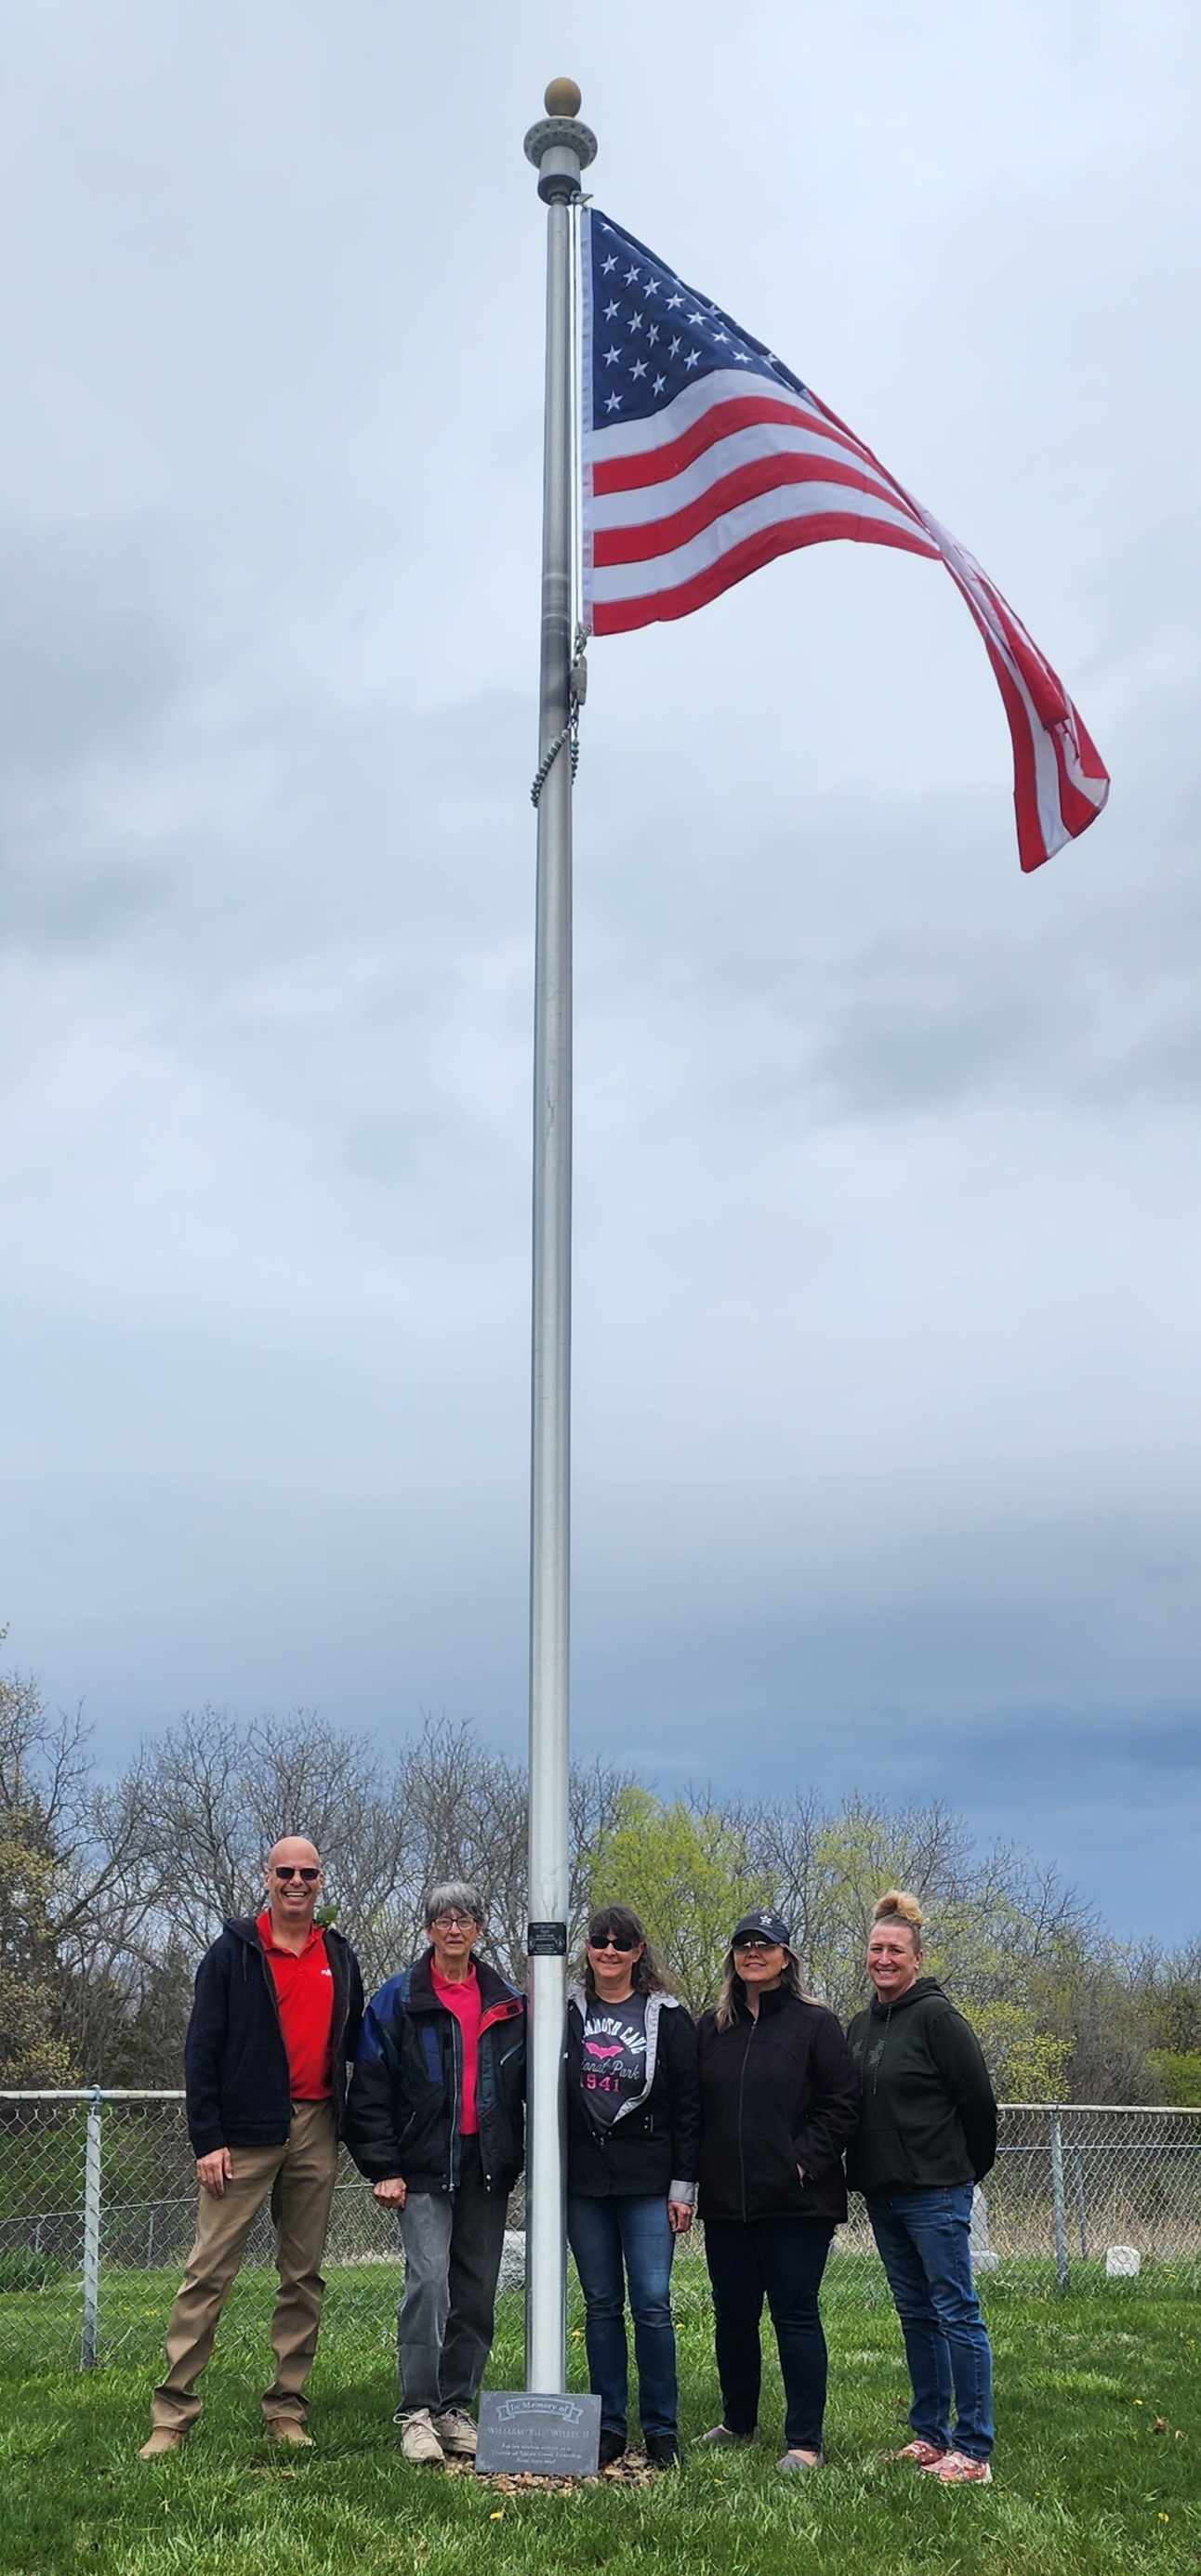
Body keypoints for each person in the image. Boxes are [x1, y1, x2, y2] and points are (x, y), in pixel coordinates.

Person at [139, 1835, 364, 2457]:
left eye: (308, 1873)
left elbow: (356, 2048)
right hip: (241, 2137)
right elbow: (201, 2050)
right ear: (266, 1878)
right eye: (285, 1871)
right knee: (208, 2271)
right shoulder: (232, 1954)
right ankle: (173, 2415)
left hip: (317, 2126)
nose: (297, 1881)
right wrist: (207, 2139)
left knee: (303, 2276)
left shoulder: (340, 1956)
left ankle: (286, 2409)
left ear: (321, 1882)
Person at [346, 1881, 525, 2465]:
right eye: (443, 1919)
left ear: (479, 1928)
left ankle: (455, 2408)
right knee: (428, 2284)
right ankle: (416, 2412)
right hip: (421, 2170)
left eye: (466, 1918)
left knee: (475, 2293)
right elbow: (369, 2088)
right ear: (428, 1930)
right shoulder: (397, 1999)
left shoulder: (508, 2000)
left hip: (486, 2169)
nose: (455, 1928)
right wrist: (383, 2167)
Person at [695, 1907, 860, 2472]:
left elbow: (842, 2106)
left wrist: (801, 2164)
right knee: (733, 2315)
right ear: (732, 1958)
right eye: (743, 1945)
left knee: (794, 2315)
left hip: (796, 2205)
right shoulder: (712, 2028)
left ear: (785, 1957)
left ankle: (804, 2442)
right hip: (726, 2204)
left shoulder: (817, 2025)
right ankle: (738, 2421)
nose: (752, 1953)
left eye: (764, 1945)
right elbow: (693, 2109)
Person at [846, 1888, 998, 2486]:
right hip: (882, 2194)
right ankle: (931, 2436)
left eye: (895, 1951)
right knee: (916, 2314)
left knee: (956, 2312)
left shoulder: (939, 2018)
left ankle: (973, 2448)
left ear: (916, 1958)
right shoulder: (861, 2025)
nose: (884, 1959)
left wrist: (965, 2170)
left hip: (937, 2190)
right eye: (875, 1949)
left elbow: (978, 2103)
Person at [565, 1903, 700, 2470]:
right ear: (589, 1947)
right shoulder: (564, 2009)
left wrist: (683, 2187)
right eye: (601, 1941)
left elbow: (691, 2108)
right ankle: (610, 2427)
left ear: (640, 1952)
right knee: (601, 2306)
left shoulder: (669, 2017)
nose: (611, 1951)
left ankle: (661, 2431)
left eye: (623, 1943)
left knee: (651, 2304)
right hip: (584, 2182)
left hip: (650, 2182)